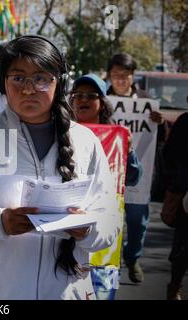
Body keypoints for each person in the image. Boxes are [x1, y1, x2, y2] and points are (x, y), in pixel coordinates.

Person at [0, 36, 120, 300]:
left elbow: (111, 222)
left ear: (60, 83)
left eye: (41, 78)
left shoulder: (86, 142)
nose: (29, 89)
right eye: (18, 78)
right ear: (2, 83)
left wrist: (87, 229)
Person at [71, 73, 143, 299]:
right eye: (78, 95)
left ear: (101, 103)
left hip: (103, 236)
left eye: (90, 96)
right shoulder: (58, 131)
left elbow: (132, 179)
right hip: (66, 229)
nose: (83, 100)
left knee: (101, 292)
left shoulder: (117, 138)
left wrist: (128, 151)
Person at [106, 53, 165, 284]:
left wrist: (158, 123)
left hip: (137, 174)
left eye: (125, 75)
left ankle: (132, 258)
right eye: (115, 75)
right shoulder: (102, 99)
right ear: (109, 76)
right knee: (111, 223)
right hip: (109, 174)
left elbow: (157, 141)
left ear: (133, 76)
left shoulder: (146, 101)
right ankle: (113, 263)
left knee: (137, 224)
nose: (120, 80)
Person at [161, 112, 188, 300]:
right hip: (185, 194)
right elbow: (169, 154)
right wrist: (176, 184)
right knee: (183, 247)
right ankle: (175, 286)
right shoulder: (185, 122)